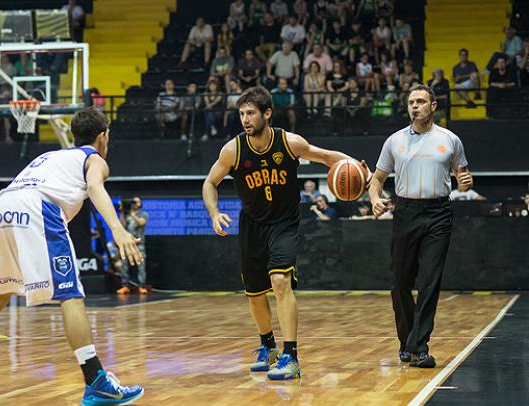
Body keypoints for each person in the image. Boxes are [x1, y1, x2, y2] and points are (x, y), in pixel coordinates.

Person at [0, 107, 145, 406]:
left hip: (4, 212)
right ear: (103, 136)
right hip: (39, 211)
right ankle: (96, 382)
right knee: (71, 296)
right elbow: (95, 188)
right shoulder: (94, 160)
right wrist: (118, 229)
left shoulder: (48, 158)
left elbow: (8, 195)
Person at [202, 86, 368, 380]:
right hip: (251, 225)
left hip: (284, 223)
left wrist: (356, 166)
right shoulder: (233, 150)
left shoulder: (290, 143)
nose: (245, 119)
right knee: (254, 295)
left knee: (280, 281)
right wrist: (214, 213)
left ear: (267, 113)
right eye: (241, 114)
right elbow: (209, 183)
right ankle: (268, 346)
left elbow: (328, 156)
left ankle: (291, 356)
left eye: (251, 113)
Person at [369, 85, 473, 368]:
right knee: (400, 282)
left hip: (438, 213)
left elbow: (463, 174)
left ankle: (419, 346)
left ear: (433, 106)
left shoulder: (450, 140)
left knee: (430, 281)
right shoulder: (394, 141)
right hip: (406, 212)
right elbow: (377, 179)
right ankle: (406, 341)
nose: (415, 106)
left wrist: (466, 182)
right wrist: (375, 198)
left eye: (421, 102)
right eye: (411, 102)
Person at [117, 197, 149, 295]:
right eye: (133, 202)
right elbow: (121, 226)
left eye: (137, 202)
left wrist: (132, 214)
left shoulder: (143, 214)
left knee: (141, 266)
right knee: (124, 265)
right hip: (127, 244)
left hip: (139, 244)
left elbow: (141, 223)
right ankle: (125, 286)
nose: (135, 204)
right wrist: (122, 212)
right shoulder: (126, 215)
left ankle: (142, 286)